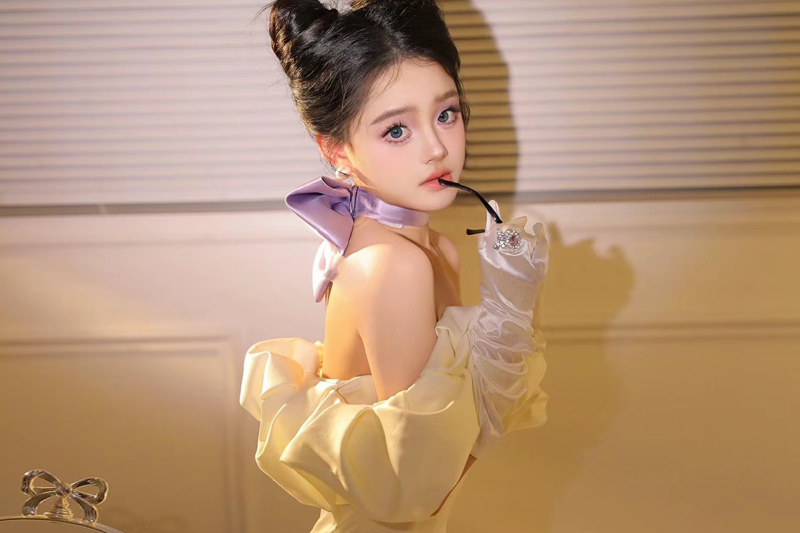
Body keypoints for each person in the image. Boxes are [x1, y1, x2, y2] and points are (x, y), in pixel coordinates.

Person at [239, 1, 550, 531]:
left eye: (446, 114)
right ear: (336, 150)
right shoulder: (391, 265)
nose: (437, 148)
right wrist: (509, 319)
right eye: (397, 131)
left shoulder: (435, 249)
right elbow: (418, 489)